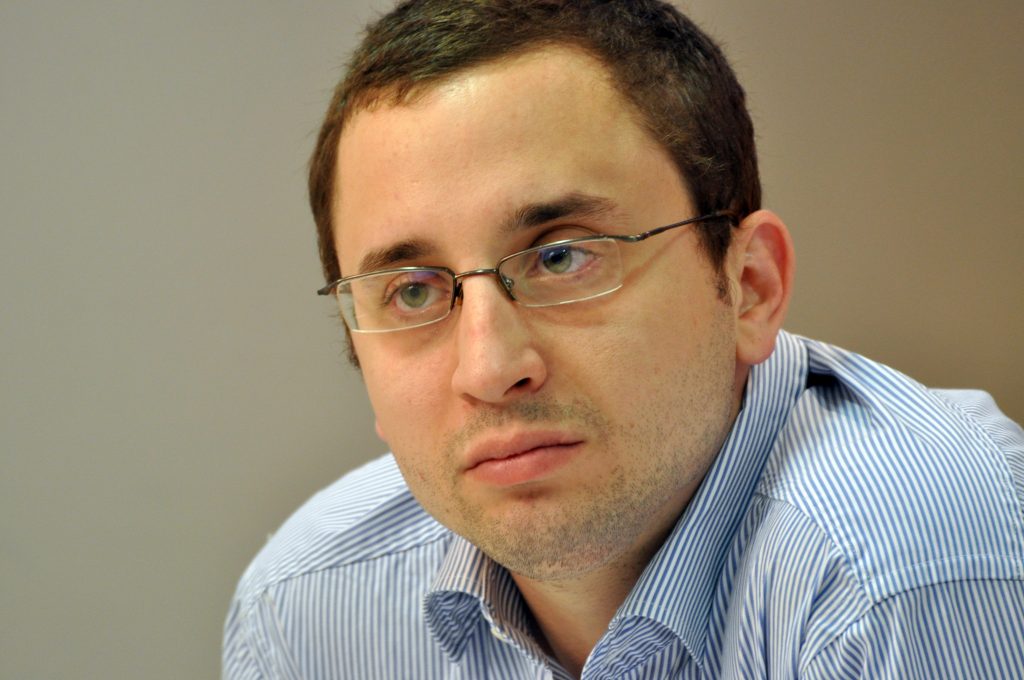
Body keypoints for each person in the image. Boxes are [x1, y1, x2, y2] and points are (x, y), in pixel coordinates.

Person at [223, 1, 1024, 677]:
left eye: (562, 257)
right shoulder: (304, 608)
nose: (489, 368)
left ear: (749, 287)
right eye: (413, 292)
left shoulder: (907, 570)